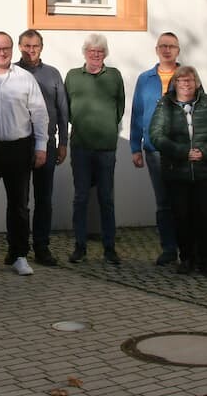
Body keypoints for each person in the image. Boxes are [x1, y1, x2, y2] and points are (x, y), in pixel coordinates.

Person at [0, 31, 48, 277]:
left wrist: (41, 146)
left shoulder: (25, 78)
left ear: (12, 49)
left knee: (19, 206)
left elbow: (39, 113)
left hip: (18, 148)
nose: (1, 52)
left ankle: (19, 255)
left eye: (5, 48)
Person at [148, 65, 207, 276]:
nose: (185, 85)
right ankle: (187, 258)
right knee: (181, 216)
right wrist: (183, 152)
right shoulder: (165, 105)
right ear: (175, 84)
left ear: (197, 83)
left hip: (204, 171)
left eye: (189, 81)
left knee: (205, 217)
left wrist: (205, 152)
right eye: (180, 81)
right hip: (177, 171)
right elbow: (156, 135)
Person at [64, 33, 125, 265]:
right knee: (80, 198)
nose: (96, 55)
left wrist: (107, 127)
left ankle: (109, 248)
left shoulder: (115, 76)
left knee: (106, 199)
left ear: (105, 54)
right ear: (85, 53)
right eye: (92, 51)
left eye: (100, 51)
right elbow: (66, 108)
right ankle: (80, 246)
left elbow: (120, 106)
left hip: (106, 148)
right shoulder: (72, 76)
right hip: (81, 146)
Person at [15, 29, 68, 266]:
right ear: (19, 46)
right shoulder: (12, 72)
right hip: (19, 144)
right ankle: (18, 249)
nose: (30, 50)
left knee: (44, 199)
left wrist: (63, 143)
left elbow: (63, 110)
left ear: (41, 47)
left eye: (35, 46)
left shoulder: (52, 74)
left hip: (47, 143)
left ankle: (42, 247)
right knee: (19, 201)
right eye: (26, 46)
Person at [129, 31, 182, 266]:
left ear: (178, 50)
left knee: (182, 200)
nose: (167, 49)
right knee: (163, 202)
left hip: (181, 150)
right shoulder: (145, 79)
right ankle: (168, 248)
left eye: (171, 46)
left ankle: (187, 248)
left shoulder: (187, 76)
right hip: (153, 150)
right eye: (163, 46)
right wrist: (135, 146)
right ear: (156, 50)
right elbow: (137, 113)